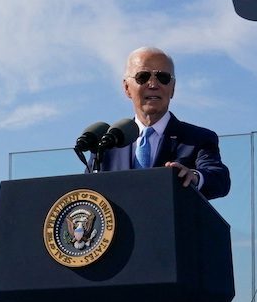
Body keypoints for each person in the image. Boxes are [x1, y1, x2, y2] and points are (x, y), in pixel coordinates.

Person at [89, 47, 231, 200]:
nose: (153, 84)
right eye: (142, 76)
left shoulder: (197, 138)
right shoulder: (107, 145)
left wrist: (194, 176)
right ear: (126, 88)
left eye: (163, 77)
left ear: (173, 88)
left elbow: (218, 178)